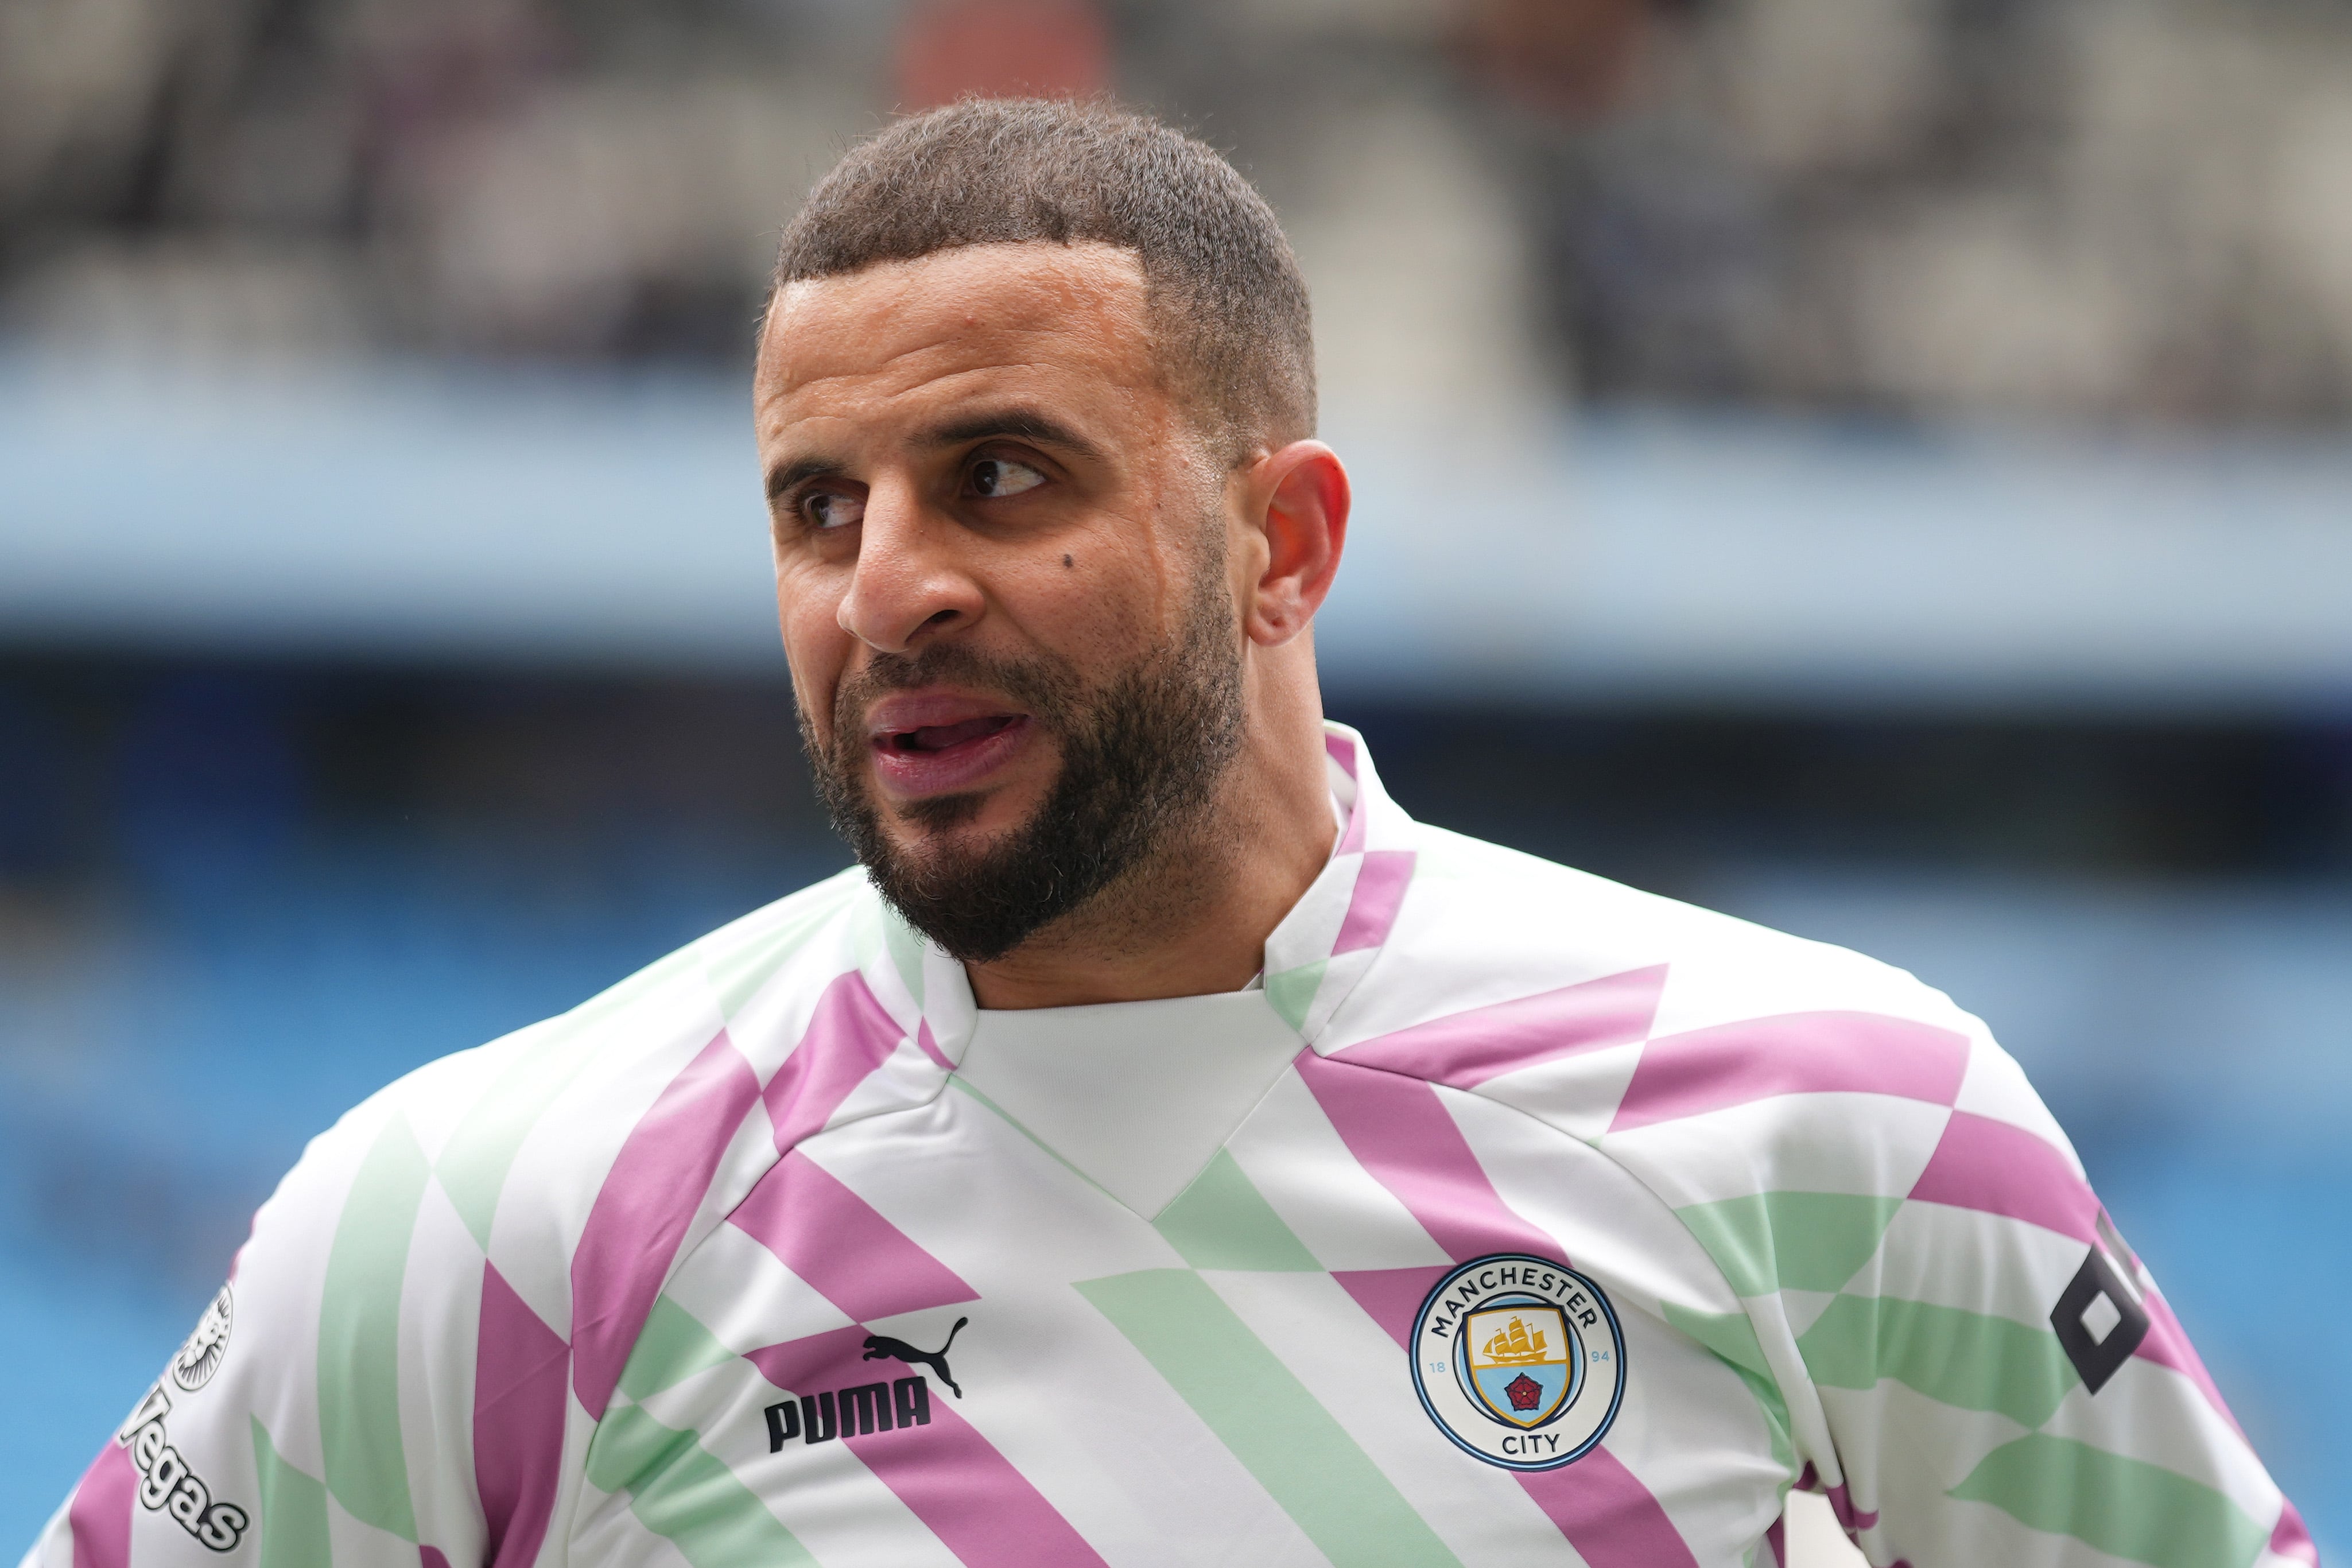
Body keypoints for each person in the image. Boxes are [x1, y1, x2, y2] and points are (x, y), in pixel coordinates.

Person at [26, 98, 2315, 1568]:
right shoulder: (487, 1210)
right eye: (817, 507)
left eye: (997, 475)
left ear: (1279, 544)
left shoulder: (1842, 1118)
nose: (884, 582)